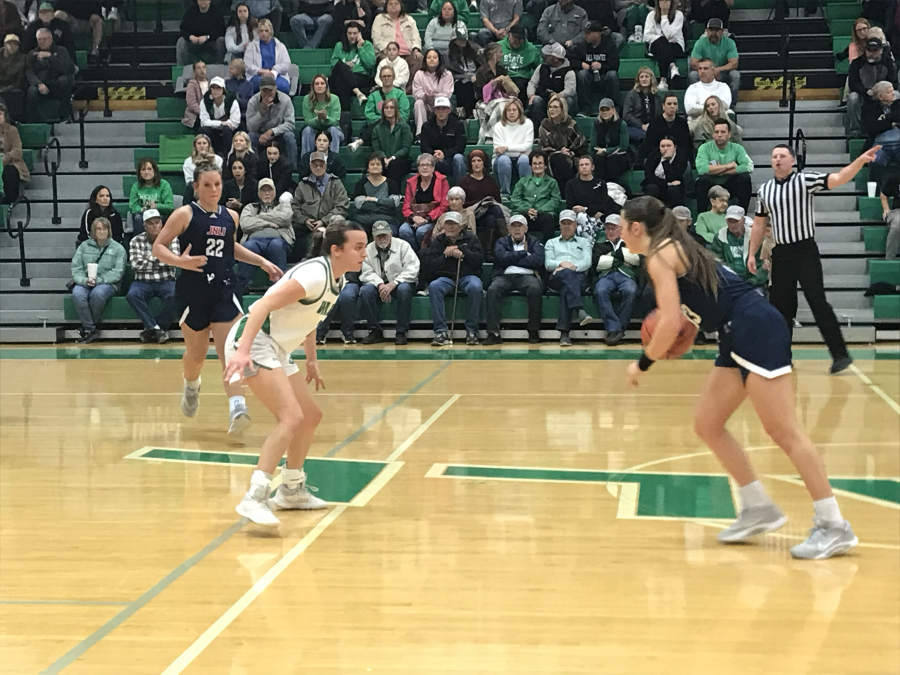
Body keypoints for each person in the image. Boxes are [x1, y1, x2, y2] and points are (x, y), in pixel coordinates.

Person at [621, 194, 859, 560]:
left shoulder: (659, 256)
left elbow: (669, 323)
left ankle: (833, 525)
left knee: (784, 431)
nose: (621, 233)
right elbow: (689, 313)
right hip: (737, 330)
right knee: (708, 422)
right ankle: (757, 507)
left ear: (637, 227)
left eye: (623, 226)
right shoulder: (675, 246)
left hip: (755, 326)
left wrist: (643, 363)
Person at [223, 220, 368, 525]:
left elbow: (310, 318)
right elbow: (261, 306)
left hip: (276, 347)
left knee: (310, 416)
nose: (364, 253)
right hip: (253, 341)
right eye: (358, 247)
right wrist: (243, 350)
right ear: (335, 250)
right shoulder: (314, 275)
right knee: (291, 417)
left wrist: (311, 360)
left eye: (364, 247)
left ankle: (291, 489)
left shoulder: (336, 279)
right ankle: (256, 495)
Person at [152, 163, 283, 435]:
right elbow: (158, 247)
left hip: (224, 289)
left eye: (218, 185)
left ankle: (238, 407)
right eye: (208, 185)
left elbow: (230, 248)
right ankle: (191, 384)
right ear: (196, 187)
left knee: (230, 353)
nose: (214, 190)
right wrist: (181, 262)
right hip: (192, 291)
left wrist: (262, 262)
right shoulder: (185, 214)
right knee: (196, 355)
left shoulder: (231, 216)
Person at [749, 144, 880, 374]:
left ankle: (840, 355)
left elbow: (839, 178)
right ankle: (781, 358)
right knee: (780, 309)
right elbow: (759, 223)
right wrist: (751, 253)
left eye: (782, 156)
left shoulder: (805, 180)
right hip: (781, 253)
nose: (777, 159)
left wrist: (859, 161)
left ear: (792, 161)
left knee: (817, 302)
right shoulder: (765, 190)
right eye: (774, 156)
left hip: (805, 251)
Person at [421, 210, 484, 346]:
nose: (450, 227)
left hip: (467, 276)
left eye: (453, 224)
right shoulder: (438, 241)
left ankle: (472, 331)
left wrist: (462, 251)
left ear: (461, 226)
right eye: (447, 224)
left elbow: (478, 261)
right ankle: (441, 332)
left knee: (476, 286)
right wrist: (445, 255)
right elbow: (431, 265)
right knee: (434, 286)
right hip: (445, 277)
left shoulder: (472, 239)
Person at [484, 213, 545, 344]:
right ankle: (493, 332)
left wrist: (511, 259)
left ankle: (533, 330)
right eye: (514, 226)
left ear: (526, 228)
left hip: (527, 275)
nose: (517, 229)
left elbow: (537, 260)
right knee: (493, 290)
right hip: (504, 276)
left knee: (535, 289)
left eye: (520, 226)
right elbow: (500, 257)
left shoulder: (534, 241)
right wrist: (523, 254)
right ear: (509, 229)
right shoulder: (501, 241)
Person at [358, 220, 420, 344]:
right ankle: (375, 331)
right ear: (373, 236)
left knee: (404, 289)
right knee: (366, 290)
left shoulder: (403, 245)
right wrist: (380, 284)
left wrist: (394, 283)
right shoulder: (368, 249)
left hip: (401, 282)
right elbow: (366, 272)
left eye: (384, 235)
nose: (382, 239)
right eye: (378, 236)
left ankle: (401, 332)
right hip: (380, 284)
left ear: (391, 233)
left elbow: (413, 268)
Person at [126, 209, 179, 344]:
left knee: (175, 294)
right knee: (133, 295)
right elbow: (136, 265)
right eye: (151, 223)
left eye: (157, 222)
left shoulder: (171, 238)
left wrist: (148, 259)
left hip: (166, 280)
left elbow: (172, 261)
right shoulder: (135, 241)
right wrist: (158, 255)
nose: (155, 226)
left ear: (162, 224)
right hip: (143, 282)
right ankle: (156, 329)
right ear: (144, 226)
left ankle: (155, 328)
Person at [70, 217, 126, 344]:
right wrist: (84, 280)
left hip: (108, 283)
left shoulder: (118, 249)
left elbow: (118, 272)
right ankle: (91, 329)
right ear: (93, 231)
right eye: (98, 229)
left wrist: (99, 280)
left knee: (98, 294)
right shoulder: (84, 246)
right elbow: (76, 268)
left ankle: (88, 328)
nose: (101, 232)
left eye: (104, 229)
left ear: (109, 231)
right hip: (86, 281)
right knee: (77, 294)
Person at [544, 209, 594, 346]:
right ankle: (579, 310)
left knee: (567, 288)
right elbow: (548, 263)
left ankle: (564, 334)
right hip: (556, 277)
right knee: (567, 275)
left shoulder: (584, 242)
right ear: (559, 225)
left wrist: (572, 267)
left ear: (576, 225)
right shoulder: (551, 243)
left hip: (578, 277)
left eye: (569, 223)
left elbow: (587, 262)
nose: (566, 226)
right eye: (563, 223)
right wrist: (561, 264)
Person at [236, 177, 294, 292]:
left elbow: (285, 218)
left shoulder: (283, 206)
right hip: (255, 241)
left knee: (276, 245)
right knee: (249, 247)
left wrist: (259, 217)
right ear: (258, 193)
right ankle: (241, 285)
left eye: (269, 190)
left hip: (279, 240)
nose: (267, 193)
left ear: (275, 192)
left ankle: (280, 284)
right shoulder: (250, 207)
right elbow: (245, 224)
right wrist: (268, 223)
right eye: (263, 190)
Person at [291, 151, 351, 259]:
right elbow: (295, 207)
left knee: (339, 221)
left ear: (326, 165)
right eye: (315, 165)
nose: (318, 167)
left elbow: (342, 206)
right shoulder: (302, 185)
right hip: (307, 225)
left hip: (329, 223)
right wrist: (305, 220)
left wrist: (323, 221)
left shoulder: (336, 183)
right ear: (310, 166)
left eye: (321, 165)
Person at [593, 213, 639, 345]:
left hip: (626, 275)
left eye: (614, 228)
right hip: (606, 275)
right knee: (600, 290)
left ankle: (616, 328)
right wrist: (623, 257)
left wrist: (610, 256)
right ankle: (615, 328)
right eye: (607, 228)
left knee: (630, 291)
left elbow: (636, 260)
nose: (610, 231)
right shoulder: (599, 244)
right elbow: (597, 263)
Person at [695, 120, 752, 212]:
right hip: (711, 183)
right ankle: (701, 216)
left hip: (730, 183)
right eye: (716, 132)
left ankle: (743, 214)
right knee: (702, 180)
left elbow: (748, 166)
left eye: (723, 132)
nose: (719, 135)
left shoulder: (737, 148)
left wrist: (716, 169)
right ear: (713, 134)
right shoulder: (704, 148)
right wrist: (728, 166)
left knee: (745, 178)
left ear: (729, 134)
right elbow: (702, 169)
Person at [351, 64, 410, 150]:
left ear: (393, 77)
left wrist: (391, 119)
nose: (386, 78)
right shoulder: (374, 95)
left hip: (396, 126)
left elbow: (404, 114)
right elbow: (369, 114)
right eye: (384, 76)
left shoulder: (400, 94)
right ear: (380, 78)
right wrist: (384, 120)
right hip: (378, 127)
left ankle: (360, 141)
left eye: (389, 76)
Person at [847, 37, 896, 137]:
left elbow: (893, 81)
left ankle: (895, 124)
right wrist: (866, 91)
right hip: (864, 94)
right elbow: (853, 83)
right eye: (869, 50)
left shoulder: (888, 62)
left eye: (875, 50)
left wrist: (882, 92)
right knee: (853, 98)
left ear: (881, 50)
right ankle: (855, 129)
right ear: (865, 50)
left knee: (897, 95)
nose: (872, 53)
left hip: (884, 93)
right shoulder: (857, 63)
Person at [508, 150, 562, 241]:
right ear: (531, 165)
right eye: (534, 163)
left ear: (545, 165)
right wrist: (527, 209)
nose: (537, 166)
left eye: (540, 163)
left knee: (548, 219)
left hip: (543, 215)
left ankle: (546, 246)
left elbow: (555, 200)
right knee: (518, 219)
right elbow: (515, 199)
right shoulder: (523, 181)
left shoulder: (552, 182)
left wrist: (539, 210)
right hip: (525, 214)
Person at [247, 74, 297, 170]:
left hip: (279, 134)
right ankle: (254, 169)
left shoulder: (285, 100)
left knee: (289, 137)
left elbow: (290, 124)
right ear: (260, 90)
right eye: (264, 90)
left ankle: (292, 169)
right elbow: (250, 127)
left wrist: (272, 131)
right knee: (250, 137)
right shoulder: (253, 101)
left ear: (275, 89)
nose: (267, 93)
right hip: (260, 135)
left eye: (270, 90)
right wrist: (261, 112)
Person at [400, 152, 449, 250]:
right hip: (414, 218)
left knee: (421, 231)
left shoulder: (442, 181)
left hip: (433, 219)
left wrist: (427, 219)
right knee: (403, 231)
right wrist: (413, 217)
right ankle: (414, 254)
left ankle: (424, 254)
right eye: (422, 165)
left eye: (428, 165)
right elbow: (406, 206)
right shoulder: (411, 182)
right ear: (418, 168)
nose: (425, 168)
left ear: (433, 168)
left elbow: (444, 205)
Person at [688, 18, 740, 110]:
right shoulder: (700, 43)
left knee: (735, 75)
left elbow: (734, 63)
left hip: (722, 74)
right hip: (705, 73)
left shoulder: (729, 42)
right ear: (706, 31)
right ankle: (698, 104)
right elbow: (693, 63)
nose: (714, 33)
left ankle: (731, 107)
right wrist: (709, 71)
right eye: (711, 30)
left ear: (722, 31)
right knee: (693, 75)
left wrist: (717, 70)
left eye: (717, 30)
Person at [710, 204, 767, 287]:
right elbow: (717, 262)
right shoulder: (720, 237)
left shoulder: (755, 237)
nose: (733, 224)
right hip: (729, 282)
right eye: (730, 221)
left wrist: (752, 282)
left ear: (743, 220)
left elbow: (761, 264)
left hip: (753, 283)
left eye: (736, 221)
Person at [565, 154, 619, 239]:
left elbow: (602, 205)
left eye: (587, 164)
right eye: (581, 165)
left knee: (580, 228)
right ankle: (589, 248)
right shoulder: (571, 184)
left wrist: (585, 209)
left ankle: (585, 249)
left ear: (592, 167)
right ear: (578, 168)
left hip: (597, 220)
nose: (584, 167)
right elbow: (571, 206)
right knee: (581, 218)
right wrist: (592, 211)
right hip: (578, 218)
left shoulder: (601, 184)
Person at [25, 26, 72, 122]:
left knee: (64, 80)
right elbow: (29, 72)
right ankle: (33, 121)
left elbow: (64, 69)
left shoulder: (62, 51)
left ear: (51, 39)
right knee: (31, 91)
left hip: (56, 84)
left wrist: (50, 57)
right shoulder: (32, 54)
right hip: (40, 85)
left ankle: (65, 116)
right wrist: (38, 84)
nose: (42, 41)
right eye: (39, 39)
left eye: (45, 39)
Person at [540, 93, 586, 193]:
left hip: (572, 158)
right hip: (550, 158)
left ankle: (565, 192)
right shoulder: (545, 126)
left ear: (562, 109)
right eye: (550, 107)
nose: (551, 110)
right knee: (558, 159)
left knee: (562, 162)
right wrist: (560, 151)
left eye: (555, 107)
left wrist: (571, 152)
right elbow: (543, 148)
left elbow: (582, 145)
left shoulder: (571, 124)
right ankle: (569, 191)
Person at [371, 0, 422, 87]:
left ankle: (409, 90)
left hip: (408, 52)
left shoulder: (409, 19)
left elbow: (416, 37)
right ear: (386, 6)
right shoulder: (379, 18)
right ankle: (390, 89)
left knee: (419, 59)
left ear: (401, 5)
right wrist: (387, 50)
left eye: (396, 3)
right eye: (390, 4)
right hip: (386, 52)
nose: (393, 6)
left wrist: (416, 49)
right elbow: (377, 39)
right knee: (386, 61)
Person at [572, 20, 620, 112]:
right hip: (589, 78)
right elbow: (571, 60)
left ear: (598, 33)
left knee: (612, 75)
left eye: (589, 33)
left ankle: (614, 107)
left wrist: (601, 66)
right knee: (582, 74)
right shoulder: (582, 45)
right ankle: (585, 108)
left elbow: (615, 64)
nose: (585, 35)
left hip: (604, 77)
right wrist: (581, 64)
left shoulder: (609, 45)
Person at [862, 80, 900, 192]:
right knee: (876, 161)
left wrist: (885, 118)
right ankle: (876, 193)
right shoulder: (870, 108)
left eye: (893, 90)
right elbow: (872, 128)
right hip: (880, 145)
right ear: (880, 96)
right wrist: (892, 123)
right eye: (889, 92)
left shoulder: (898, 104)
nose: (893, 93)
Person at [352, 152, 402, 236]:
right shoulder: (361, 183)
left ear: (383, 167)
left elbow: (394, 203)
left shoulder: (390, 183)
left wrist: (374, 200)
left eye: (378, 164)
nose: (375, 166)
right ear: (367, 168)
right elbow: (360, 205)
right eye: (372, 164)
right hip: (365, 219)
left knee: (393, 232)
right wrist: (383, 206)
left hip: (387, 219)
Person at [330, 22, 377, 110]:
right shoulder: (339, 45)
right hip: (344, 77)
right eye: (349, 33)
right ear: (346, 34)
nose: (352, 36)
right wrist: (345, 66)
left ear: (360, 34)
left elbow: (370, 64)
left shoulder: (367, 45)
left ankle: (345, 116)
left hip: (360, 77)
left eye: (355, 33)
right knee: (340, 67)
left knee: (341, 82)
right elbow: (333, 64)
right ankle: (358, 92)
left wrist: (360, 48)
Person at [420, 95, 467, 181]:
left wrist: (444, 154)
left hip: (451, 158)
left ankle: (460, 189)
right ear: (434, 111)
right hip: (433, 158)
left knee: (459, 158)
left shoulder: (458, 124)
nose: (441, 111)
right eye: (438, 109)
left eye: (444, 108)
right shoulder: (427, 126)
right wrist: (434, 154)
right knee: (423, 159)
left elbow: (460, 146)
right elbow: (424, 146)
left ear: (449, 110)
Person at [527, 42, 576, 125]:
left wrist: (557, 96)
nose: (545, 57)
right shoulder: (541, 67)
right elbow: (532, 83)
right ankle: (540, 129)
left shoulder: (569, 71)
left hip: (560, 99)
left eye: (548, 55)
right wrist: (531, 94)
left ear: (555, 59)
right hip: (543, 98)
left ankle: (563, 127)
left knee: (568, 100)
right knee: (536, 100)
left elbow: (570, 90)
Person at [493, 98, 534, 196]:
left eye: (514, 110)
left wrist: (506, 148)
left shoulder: (528, 124)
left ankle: (526, 193)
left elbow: (527, 146)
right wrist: (519, 150)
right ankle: (505, 193)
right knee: (504, 160)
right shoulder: (498, 126)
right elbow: (498, 150)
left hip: (521, 158)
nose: (511, 112)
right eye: (508, 110)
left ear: (519, 111)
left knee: (524, 159)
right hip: (501, 160)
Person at [642, 0, 684, 91]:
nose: (664, 3)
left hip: (676, 45)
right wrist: (663, 38)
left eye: (667, 0)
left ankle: (663, 80)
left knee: (663, 49)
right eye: (661, 0)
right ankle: (672, 66)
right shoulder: (651, 15)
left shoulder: (678, 15)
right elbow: (647, 36)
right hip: (657, 45)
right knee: (661, 43)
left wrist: (664, 16)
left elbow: (670, 33)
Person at [371, 98, 414, 185]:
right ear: (383, 110)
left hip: (401, 160)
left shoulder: (404, 127)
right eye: (386, 108)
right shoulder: (377, 128)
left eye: (392, 107)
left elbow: (406, 148)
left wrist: (393, 157)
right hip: (383, 159)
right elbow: (377, 148)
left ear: (396, 110)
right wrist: (384, 158)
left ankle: (394, 193)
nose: (389, 110)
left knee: (394, 165)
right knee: (376, 165)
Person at [412, 48, 454, 135]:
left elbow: (448, 93)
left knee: (445, 104)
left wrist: (436, 97)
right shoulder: (419, 74)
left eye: (434, 57)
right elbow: (416, 93)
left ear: (439, 60)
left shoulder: (447, 74)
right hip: (426, 103)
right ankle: (421, 133)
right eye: (429, 57)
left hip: (441, 103)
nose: (431, 59)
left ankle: (444, 132)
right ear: (425, 60)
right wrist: (425, 96)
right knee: (418, 103)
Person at [300, 74, 343, 158]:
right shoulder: (306, 99)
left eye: (322, 83)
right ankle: (307, 161)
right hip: (314, 130)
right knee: (307, 131)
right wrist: (318, 118)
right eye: (317, 84)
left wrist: (326, 117)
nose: (319, 86)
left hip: (332, 129)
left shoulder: (334, 99)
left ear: (326, 86)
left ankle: (333, 161)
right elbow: (308, 121)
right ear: (313, 86)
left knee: (333, 130)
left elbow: (335, 121)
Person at [129, 158, 174, 236]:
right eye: (143, 169)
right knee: (137, 218)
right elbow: (132, 207)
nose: (146, 172)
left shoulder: (164, 185)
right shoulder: (136, 186)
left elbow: (170, 206)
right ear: (139, 172)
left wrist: (156, 206)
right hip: (143, 216)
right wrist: (142, 209)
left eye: (149, 169)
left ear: (155, 171)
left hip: (160, 215)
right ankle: (141, 243)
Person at [244, 18, 290, 94]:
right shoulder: (251, 47)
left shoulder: (280, 46)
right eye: (261, 31)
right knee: (257, 85)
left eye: (266, 31)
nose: (263, 33)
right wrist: (262, 71)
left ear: (271, 31)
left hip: (277, 76)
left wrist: (273, 72)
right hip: (257, 76)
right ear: (258, 32)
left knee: (283, 87)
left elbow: (286, 64)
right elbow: (247, 65)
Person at [498, 24, 540, 107]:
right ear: (509, 35)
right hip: (503, 77)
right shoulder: (499, 46)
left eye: (520, 38)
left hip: (522, 79)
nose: (516, 41)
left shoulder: (531, 49)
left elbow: (539, 67)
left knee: (521, 85)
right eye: (514, 37)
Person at [641, 136, 687, 208]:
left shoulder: (681, 158)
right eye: (662, 146)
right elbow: (649, 177)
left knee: (673, 189)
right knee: (651, 188)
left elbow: (674, 177)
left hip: (674, 187)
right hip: (656, 184)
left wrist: (666, 161)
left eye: (669, 146)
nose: (665, 149)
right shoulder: (652, 156)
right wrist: (666, 183)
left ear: (675, 147)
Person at [642, 92, 690, 160]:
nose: (672, 106)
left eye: (675, 104)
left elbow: (686, 146)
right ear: (663, 106)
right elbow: (650, 146)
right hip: (658, 158)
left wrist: (674, 154)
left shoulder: (682, 124)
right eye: (669, 104)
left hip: (678, 159)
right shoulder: (654, 124)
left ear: (677, 107)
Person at [591, 97, 629, 184]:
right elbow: (593, 145)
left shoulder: (621, 124)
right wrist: (600, 151)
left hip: (619, 156)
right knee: (598, 159)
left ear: (613, 110)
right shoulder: (596, 124)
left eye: (607, 109)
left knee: (612, 161)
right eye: (602, 110)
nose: (605, 112)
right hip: (602, 155)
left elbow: (623, 146)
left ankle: (613, 185)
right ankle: (600, 185)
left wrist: (606, 150)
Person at [177, 0, 226, 66]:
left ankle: (220, 65)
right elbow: (183, 29)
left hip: (211, 42)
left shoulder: (216, 12)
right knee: (181, 41)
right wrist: (190, 37)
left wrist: (207, 37)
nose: (203, 1)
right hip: (193, 42)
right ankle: (181, 67)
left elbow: (221, 30)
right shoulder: (190, 12)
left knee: (221, 41)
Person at [200, 76, 241, 154]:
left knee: (227, 129)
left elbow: (235, 122)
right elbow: (204, 122)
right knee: (203, 130)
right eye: (213, 88)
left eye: (218, 88)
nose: (215, 90)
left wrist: (225, 124)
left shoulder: (231, 100)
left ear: (223, 90)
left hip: (228, 131)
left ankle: (227, 156)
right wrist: (221, 123)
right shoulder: (205, 101)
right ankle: (206, 154)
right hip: (212, 130)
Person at [684, 58, 733, 125]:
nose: (702, 71)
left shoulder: (723, 87)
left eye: (705, 68)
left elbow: (724, 105)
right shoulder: (692, 88)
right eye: (700, 69)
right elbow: (690, 109)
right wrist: (713, 108)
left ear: (713, 71)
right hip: (698, 122)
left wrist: (702, 106)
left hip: (719, 121)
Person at [447, 25, 482, 118]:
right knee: (464, 85)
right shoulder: (448, 55)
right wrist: (467, 77)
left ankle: (474, 110)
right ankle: (467, 112)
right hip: (459, 80)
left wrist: (477, 75)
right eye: (459, 40)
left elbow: (482, 66)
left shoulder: (475, 49)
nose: (462, 42)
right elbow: (450, 74)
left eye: (464, 40)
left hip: (476, 77)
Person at [622, 66, 662, 144]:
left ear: (651, 79)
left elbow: (660, 114)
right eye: (641, 77)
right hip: (635, 126)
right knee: (646, 136)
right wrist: (641, 125)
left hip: (653, 126)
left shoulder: (656, 97)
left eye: (647, 76)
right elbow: (626, 115)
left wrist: (652, 125)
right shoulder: (632, 95)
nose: (644, 79)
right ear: (638, 80)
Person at [0, 102, 28, 204]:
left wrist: (4, 158)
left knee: (8, 171)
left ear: (5, 116)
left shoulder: (12, 130)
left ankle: (9, 201)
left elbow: (17, 151)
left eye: (0, 114)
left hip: (10, 162)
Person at [183, 134, 224, 201]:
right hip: (196, 188)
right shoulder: (188, 161)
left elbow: (218, 176)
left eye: (204, 143)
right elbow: (189, 180)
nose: (202, 146)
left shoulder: (218, 159)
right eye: (199, 143)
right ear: (195, 146)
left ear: (208, 145)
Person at [0, 33, 27, 123]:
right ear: (4, 44)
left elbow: (20, 79)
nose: (12, 46)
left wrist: (7, 88)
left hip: (14, 87)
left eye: (15, 44)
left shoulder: (22, 58)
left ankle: (8, 121)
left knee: (11, 94)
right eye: (9, 43)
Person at [181, 60, 209, 130]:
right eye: (199, 68)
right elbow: (191, 104)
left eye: (203, 67)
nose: (202, 70)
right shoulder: (191, 84)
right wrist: (204, 113)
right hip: (196, 116)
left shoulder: (211, 83)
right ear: (194, 71)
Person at [880, 174, 900, 259]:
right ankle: (889, 259)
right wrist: (886, 209)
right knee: (898, 223)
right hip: (897, 211)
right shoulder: (896, 178)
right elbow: (883, 194)